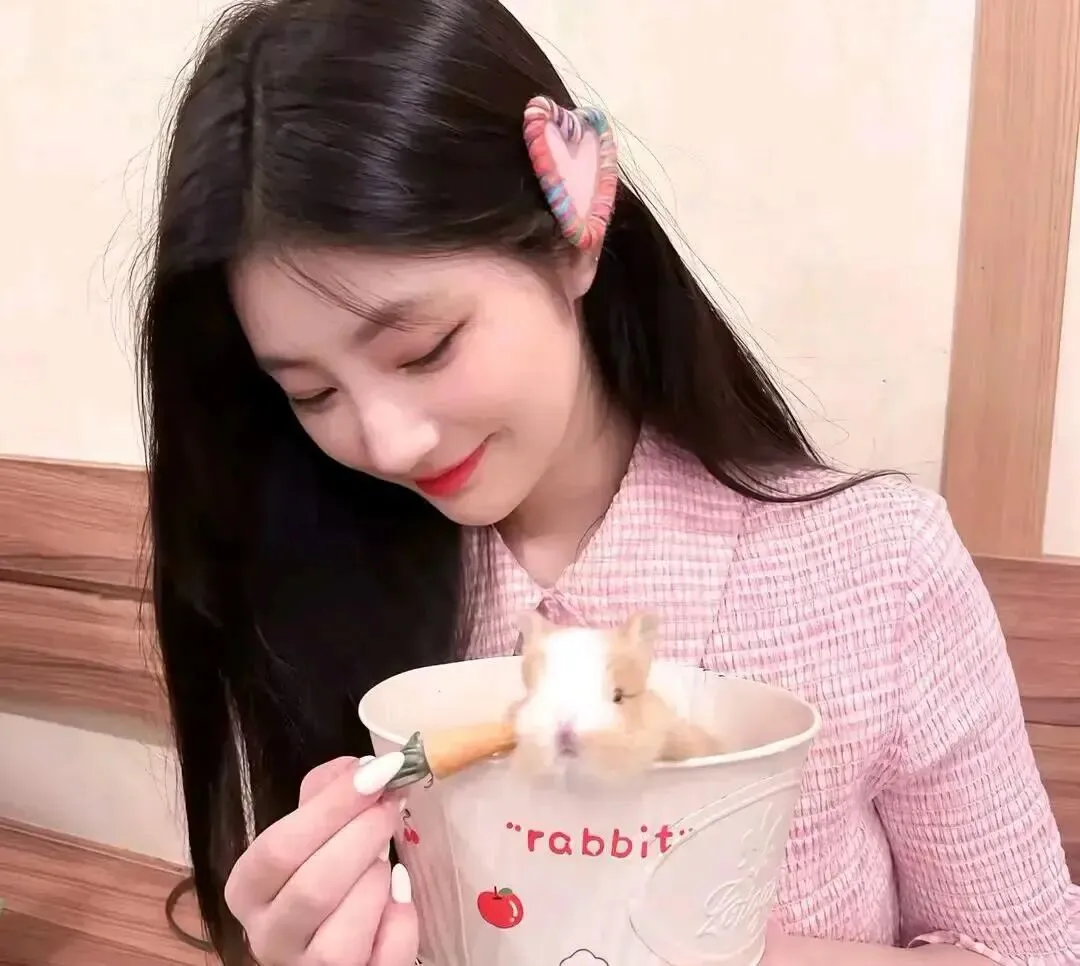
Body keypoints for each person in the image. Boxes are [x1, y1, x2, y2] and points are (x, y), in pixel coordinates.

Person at [134, 0, 1078, 963]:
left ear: (573, 237)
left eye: (424, 348)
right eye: (313, 391)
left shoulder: (875, 570)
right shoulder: (314, 583)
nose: (387, 440)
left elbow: (1032, 952)